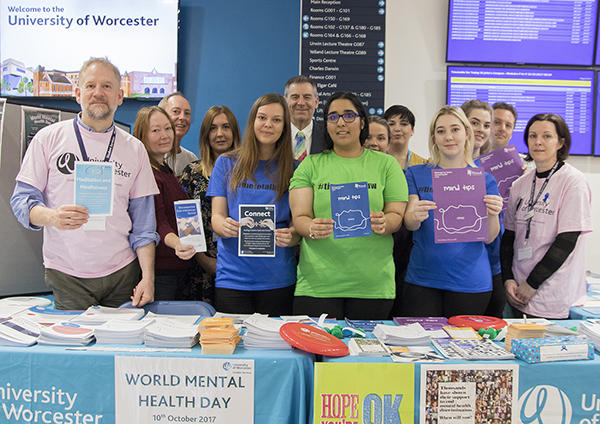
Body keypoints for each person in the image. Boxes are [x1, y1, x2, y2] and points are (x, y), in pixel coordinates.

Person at [10, 58, 159, 309]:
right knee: (74, 344)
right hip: (67, 273)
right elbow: (21, 201)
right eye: (90, 86)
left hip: (122, 273)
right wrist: (52, 217)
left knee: (116, 345)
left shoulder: (134, 149)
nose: (98, 93)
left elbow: (144, 223)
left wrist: (148, 277)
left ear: (119, 96)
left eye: (107, 87)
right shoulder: (48, 139)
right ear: (78, 93)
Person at [289, 92, 408, 319]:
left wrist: (387, 222)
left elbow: (396, 214)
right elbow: (301, 217)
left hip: (372, 286)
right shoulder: (310, 165)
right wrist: (311, 227)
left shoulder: (387, 165)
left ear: (362, 121)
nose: (341, 122)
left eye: (348, 116)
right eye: (333, 117)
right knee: (316, 355)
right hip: (318, 285)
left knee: (364, 354)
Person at [401, 105, 503, 317]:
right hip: (423, 279)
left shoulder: (485, 180)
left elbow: (490, 237)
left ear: (467, 134)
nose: (448, 137)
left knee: (465, 347)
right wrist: (414, 216)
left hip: (471, 283)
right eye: (441, 131)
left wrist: (492, 213)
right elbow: (409, 222)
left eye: (455, 129)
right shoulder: (415, 174)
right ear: (434, 137)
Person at [207, 94, 298, 315]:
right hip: (233, 278)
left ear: (285, 127)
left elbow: (298, 226)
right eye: (262, 117)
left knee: (274, 347)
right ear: (252, 121)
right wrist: (224, 226)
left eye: (276, 120)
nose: (268, 124)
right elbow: (216, 218)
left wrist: (292, 235)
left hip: (278, 278)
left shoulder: (295, 168)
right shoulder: (226, 163)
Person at [501, 113, 592, 319]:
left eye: (546, 136)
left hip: (551, 294)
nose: (538, 142)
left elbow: (566, 241)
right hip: (517, 292)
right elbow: (509, 237)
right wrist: (508, 280)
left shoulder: (573, 182)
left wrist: (531, 284)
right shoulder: (520, 184)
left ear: (561, 142)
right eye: (532, 136)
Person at [133, 106, 196, 300]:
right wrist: (178, 243)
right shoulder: (148, 174)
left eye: (167, 128)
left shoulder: (164, 169)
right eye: (155, 130)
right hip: (161, 271)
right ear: (141, 135)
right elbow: (157, 222)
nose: (164, 135)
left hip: (177, 267)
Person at [180, 106, 241, 304]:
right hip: (200, 265)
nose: (220, 134)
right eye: (213, 128)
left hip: (239, 265)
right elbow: (185, 221)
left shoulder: (248, 172)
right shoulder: (193, 173)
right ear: (206, 134)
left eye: (226, 127)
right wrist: (203, 260)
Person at [462, 99, 505, 317]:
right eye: (475, 123)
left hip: (493, 263)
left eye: (486, 125)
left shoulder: (499, 168)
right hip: (462, 266)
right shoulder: (441, 169)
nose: (480, 130)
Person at [284, 75, 326, 161]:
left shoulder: (329, 137)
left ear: (316, 102)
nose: (301, 103)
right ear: (285, 102)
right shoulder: (275, 135)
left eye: (307, 97)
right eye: (295, 97)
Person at [159, 92, 198, 176]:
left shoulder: (191, 160)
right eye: (176, 111)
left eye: (187, 113)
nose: (182, 117)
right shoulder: (149, 156)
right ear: (160, 115)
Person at [384, 105, 428, 170]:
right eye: (391, 124)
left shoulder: (423, 164)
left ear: (412, 130)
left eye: (404, 124)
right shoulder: (376, 161)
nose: (397, 129)